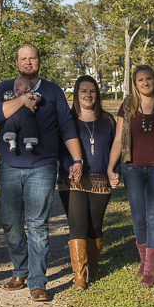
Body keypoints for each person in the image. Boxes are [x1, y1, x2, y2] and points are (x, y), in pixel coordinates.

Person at [0, 44, 84, 303]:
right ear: (17, 62)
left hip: (42, 166)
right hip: (9, 165)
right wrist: (22, 99)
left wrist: (76, 158)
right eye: (23, 58)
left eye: (32, 58)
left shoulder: (52, 90)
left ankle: (37, 282)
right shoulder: (5, 88)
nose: (28, 62)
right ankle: (19, 270)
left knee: (38, 224)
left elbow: (66, 126)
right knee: (10, 223)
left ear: (39, 61)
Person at [108, 65, 154, 288]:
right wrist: (111, 168)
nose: (145, 83)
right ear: (135, 83)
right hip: (133, 169)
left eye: (149, 78)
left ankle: (150, 270)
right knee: (139, 218)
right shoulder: (128, 105)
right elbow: (119, 140)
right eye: (140, 80)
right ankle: (144, 260)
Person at [58, 75, 119, 290]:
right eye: (83, 91)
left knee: (95, 227)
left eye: (92, 91)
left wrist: (116, 172)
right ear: (76, 94)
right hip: (73, 180)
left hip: (101, 179)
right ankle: (79, 277)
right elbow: (61, 150)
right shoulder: (68, 120)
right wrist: (69, 165)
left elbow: (116, 150)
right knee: (77, 226)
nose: (88, 95)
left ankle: (93, 268)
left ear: (97, 93)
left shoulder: (108, 121)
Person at [1, 76, 42, 151]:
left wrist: (32, 96)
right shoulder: (11, 93)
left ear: (28, 88)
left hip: (26, 116)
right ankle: (12, 142)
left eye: (20, 85)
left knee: (30, 127)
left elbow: (39, 97)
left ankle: (29, 143)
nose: (17, 86)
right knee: (9, 124)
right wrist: (15, 97)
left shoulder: (30, 93)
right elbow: (5, 97)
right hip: (14, 116)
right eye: (15, 85)